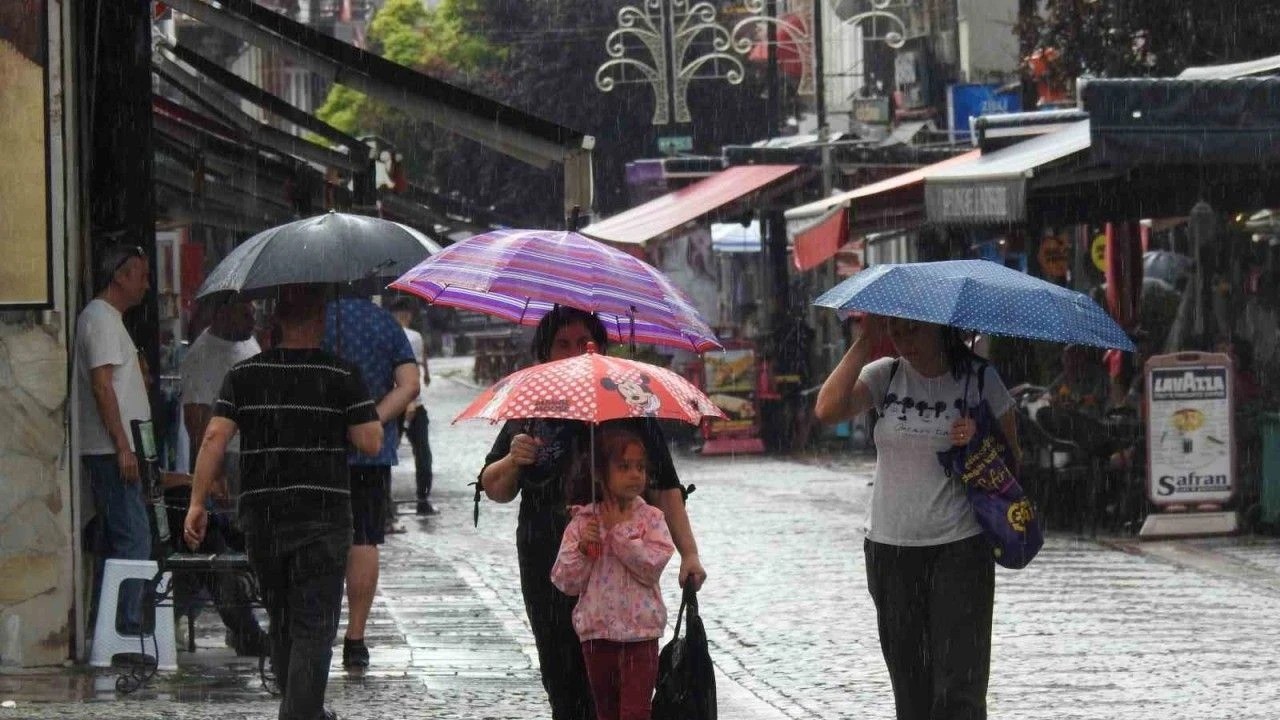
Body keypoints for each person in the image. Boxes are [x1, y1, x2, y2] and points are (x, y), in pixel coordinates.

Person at [479, 305, 707, 720]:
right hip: (551, 564)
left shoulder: (632, 408)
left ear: (600, 348)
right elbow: (495, 488)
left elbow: (666, 487)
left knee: (620, 688)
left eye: (583, 342)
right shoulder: (531, 413)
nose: (573, 352)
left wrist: (689, 553)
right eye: (561, 344)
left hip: (620, 574)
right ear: (545, 354)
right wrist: (514, 459)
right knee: (561, 673)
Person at [183, 284, 382, 720]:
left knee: (284, 617)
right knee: (314, 625)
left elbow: (214, 436)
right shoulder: (341, 374)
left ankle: (301, 708)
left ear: (276, 320)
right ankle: (300, 713)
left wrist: (197, 501)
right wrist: (349, 405)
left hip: (264, 518)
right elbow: (370, 441)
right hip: (323, 518)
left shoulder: (244, 374)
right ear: (320, 320)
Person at [814, 314, 1020, 720]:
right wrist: (865, 342)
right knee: (910, 686)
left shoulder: (980, 379)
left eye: (913, 329)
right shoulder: (885, 375)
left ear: (939, 326)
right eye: (896, 329)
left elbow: (1013, 460)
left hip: (960, 548)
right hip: (890, 549)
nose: (903, 339)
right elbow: (827, 409)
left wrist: (979, 437)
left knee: (959, 687)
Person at [550, 426, 675, 720]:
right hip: (598, 637)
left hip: (640, 636)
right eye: (624, 467)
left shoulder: (652, 520)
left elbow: (651, 568)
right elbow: (566, 581)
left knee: (635, 712)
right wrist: (583, 549)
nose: (635, 475)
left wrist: (620, 533)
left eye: (640, 468)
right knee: (606, 711)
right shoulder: (583, 522)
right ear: (599, 473)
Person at [323, 297, 419, 668]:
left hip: (316, 451)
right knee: (363, 539)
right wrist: (371, 420)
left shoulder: (310, 320)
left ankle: (317, 629)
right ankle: (355, 638)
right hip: (370, 453)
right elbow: (409, 386)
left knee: (318, 538)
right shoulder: (385, 323)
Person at [173, 296, 267, 656]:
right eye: (244, 313)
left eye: (252, 312)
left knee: (247, 540)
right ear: (223, 313)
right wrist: (210, 474)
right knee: (228, 544)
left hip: (250, 453)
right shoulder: (202, 355)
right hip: (226, 457)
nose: (251, 319)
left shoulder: (247, 343)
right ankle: (238, 623)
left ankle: (241, 619)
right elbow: (196, 418)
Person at [74, 243, 153, 632]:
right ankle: (126, 625)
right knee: (134, 539)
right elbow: (102, 385)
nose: (147, 285)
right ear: (121, 276)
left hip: (119, 448)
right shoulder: (101, 319)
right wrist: (122, 445)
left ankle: (112, 624)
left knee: (122, 537)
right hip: (112, 450)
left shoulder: (110, 320)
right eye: (142, 276)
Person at [388, 297, 435, 516]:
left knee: (386, 454)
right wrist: (412, 402)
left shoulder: (384, 334)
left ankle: (384, 503)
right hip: (413, 402)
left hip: (389, 402)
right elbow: (413, 370)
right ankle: (422, 499)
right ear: (408, 315)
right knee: (423, 453)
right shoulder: (414, 336)